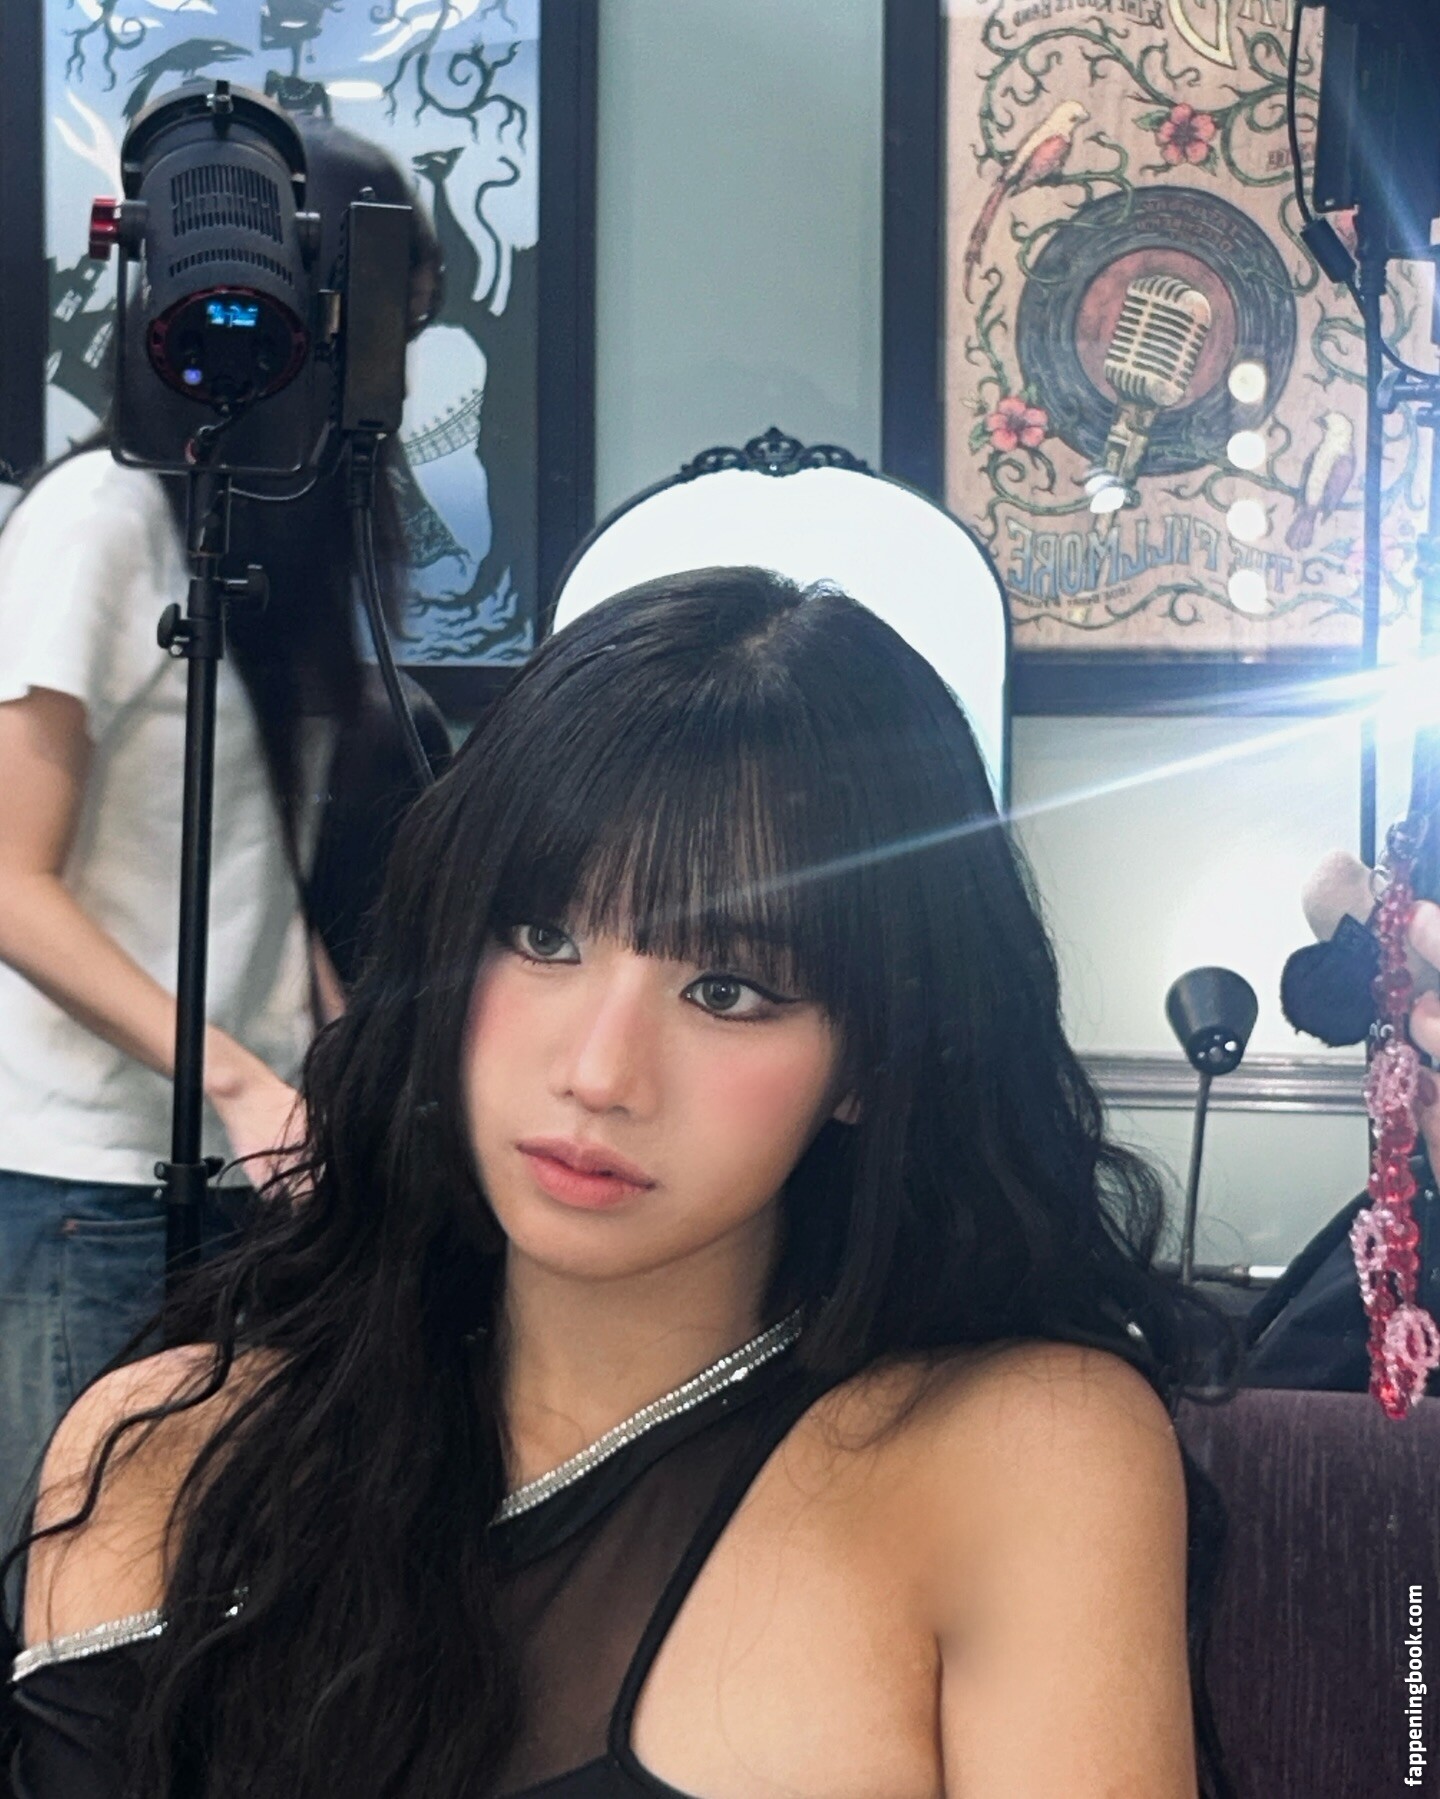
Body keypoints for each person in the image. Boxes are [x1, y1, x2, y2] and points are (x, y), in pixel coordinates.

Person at [3, 567, 1242, 1798]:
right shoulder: (163, 1448)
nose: (599, 1073)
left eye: (727, 989)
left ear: (875, 1055)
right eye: (544, 937)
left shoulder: (1016, 1450)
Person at [0, 115, 444, 1539]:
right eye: (390, 324)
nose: (398, 367)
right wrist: (245, 1081)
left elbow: (249, 857)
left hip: (260, 1156)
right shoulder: (99, 521)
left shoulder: (274, 530)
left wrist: (338, 1063)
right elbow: (9, 881)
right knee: (73, 1577)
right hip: (92, 1176)